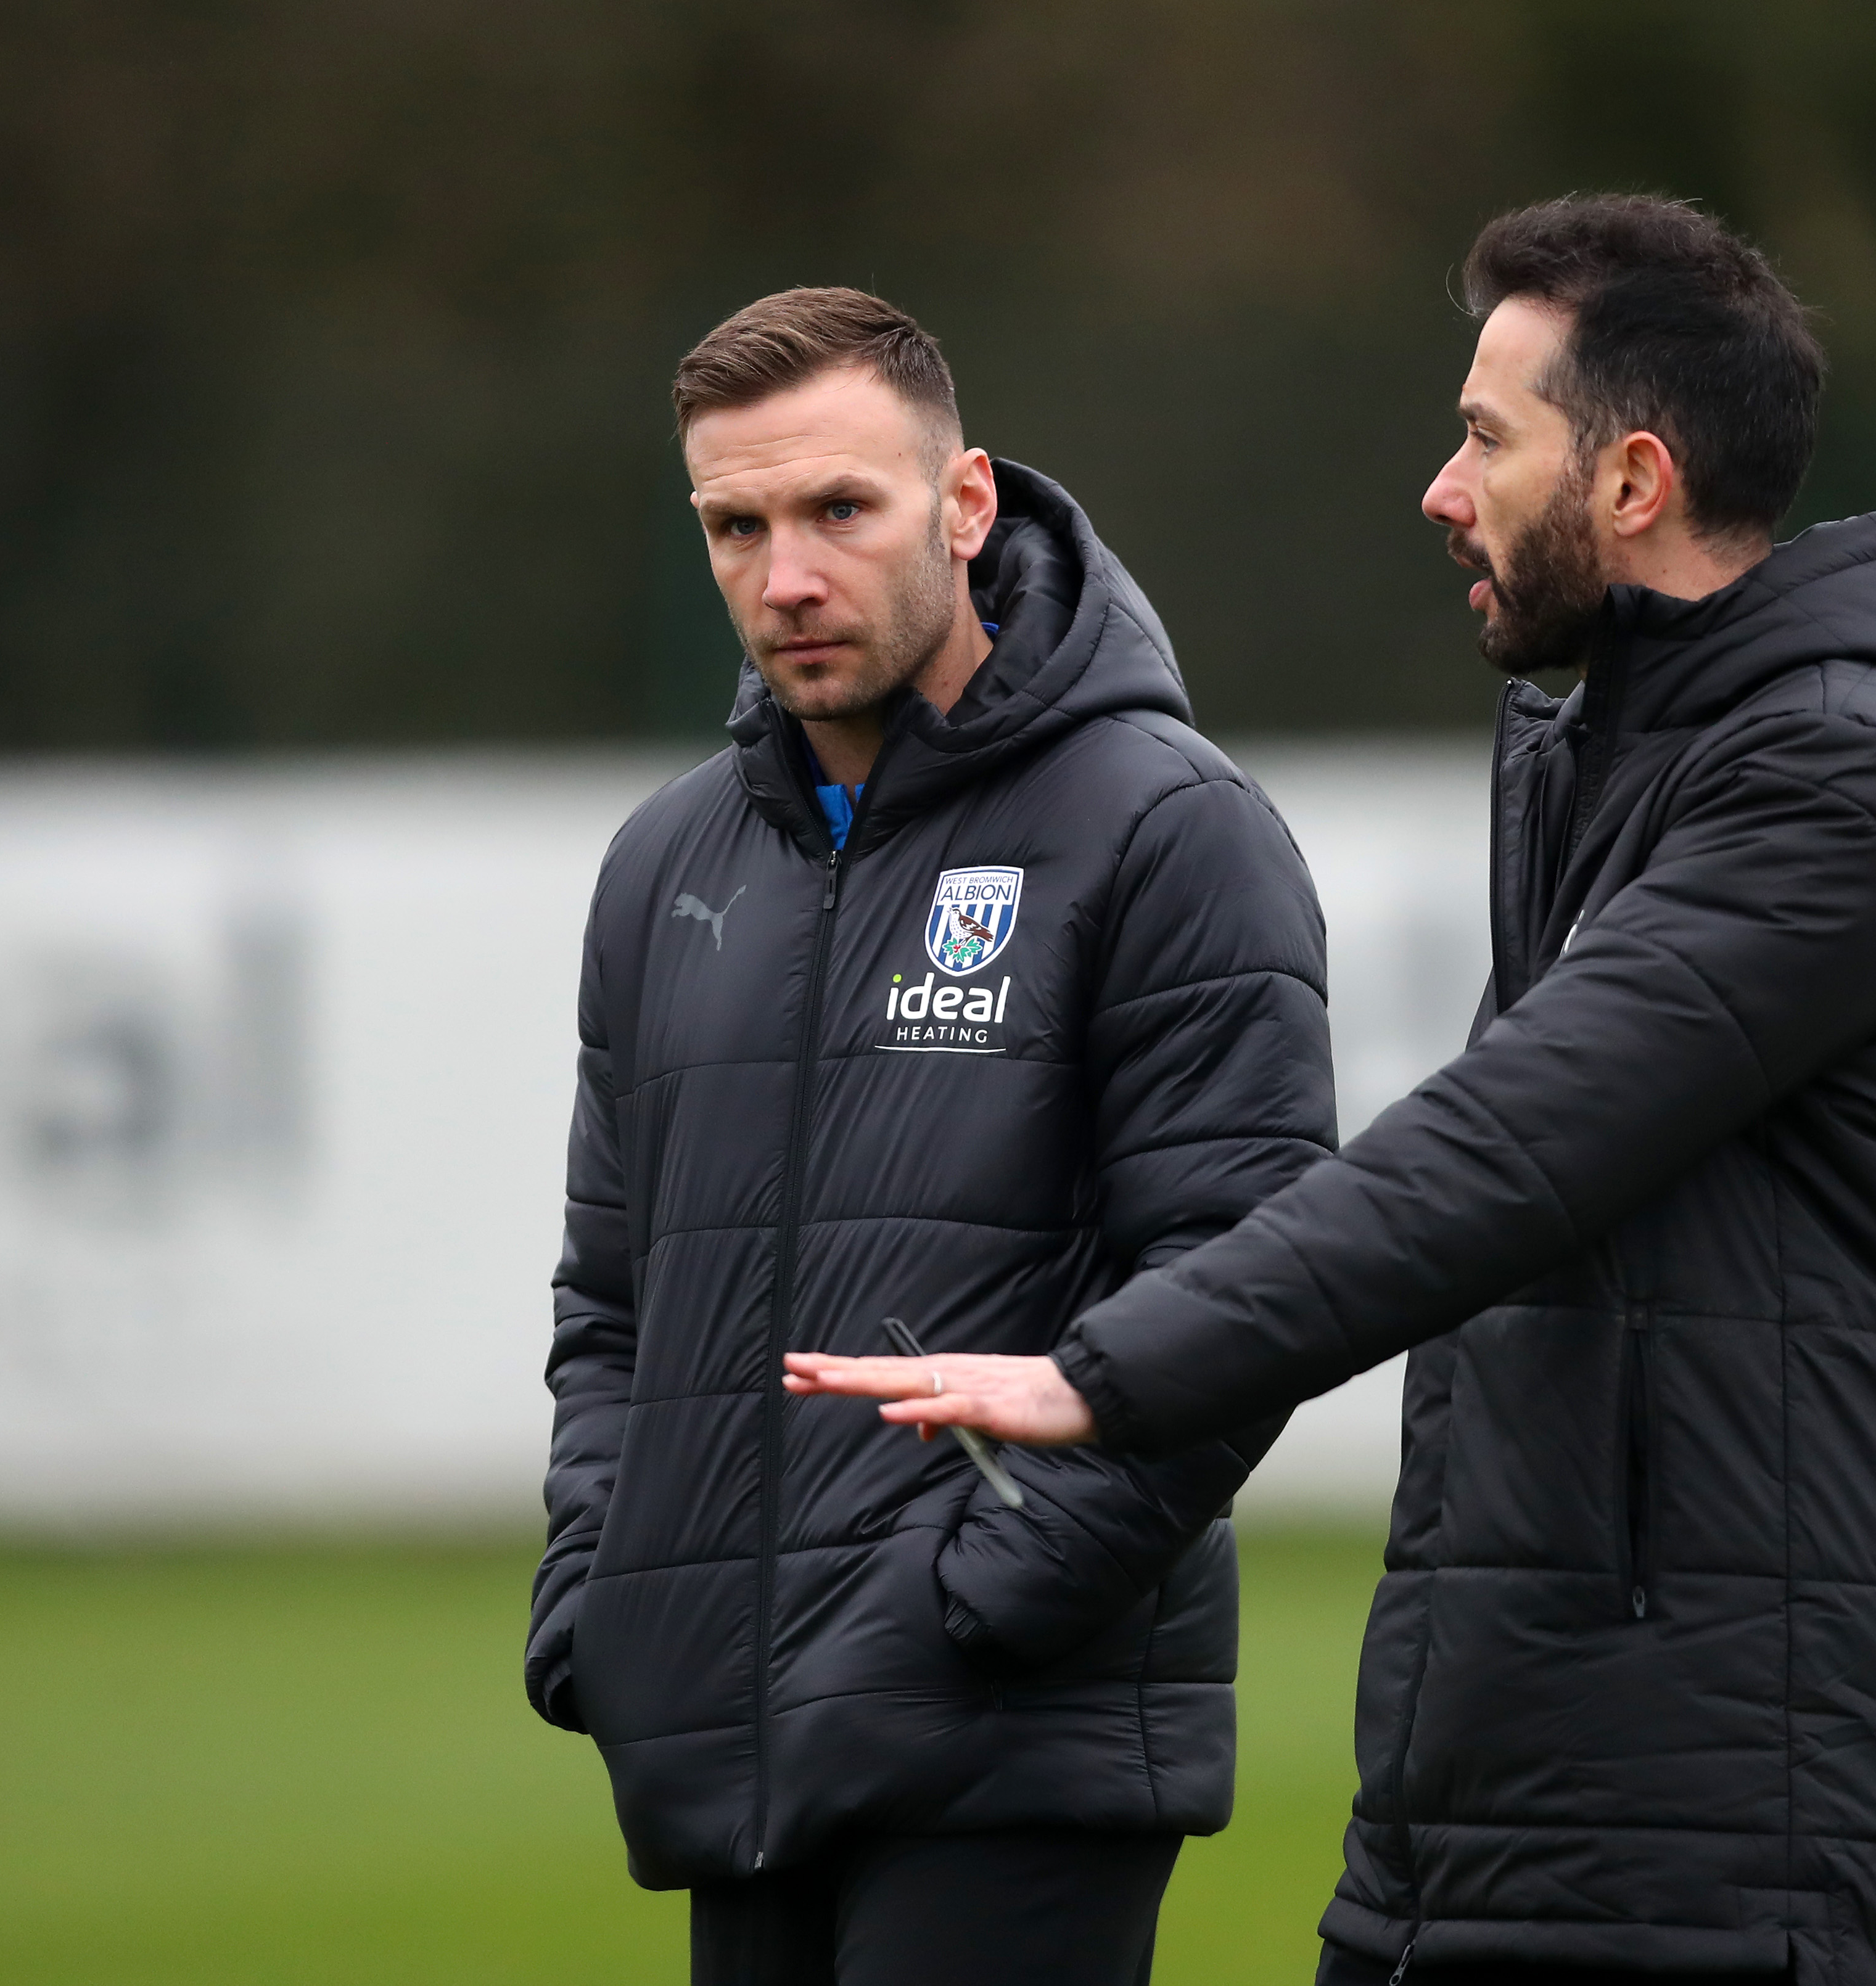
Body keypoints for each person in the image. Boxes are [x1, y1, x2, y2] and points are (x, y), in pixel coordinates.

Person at [789, 196, 1876, 1986]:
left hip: (1756, 1852)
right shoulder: (1619, 763)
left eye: (1483, 438)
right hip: (1528, 1822)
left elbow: (1499, 1155)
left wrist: (1111, 1369)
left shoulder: (1844, 774)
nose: (1440, 492)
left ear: (1630, 481)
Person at [526, 287, 1336, 1986]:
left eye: (841, 510)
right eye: (735, 526)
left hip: (1011, 1744)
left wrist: (982, 1604)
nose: (787, 576)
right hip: (722, 1739)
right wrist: (601, 1598)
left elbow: (1243, 1288)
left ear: (965, 507)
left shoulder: (1168, 829)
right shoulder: (666, 866)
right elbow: (615, 1304)